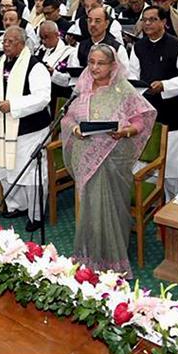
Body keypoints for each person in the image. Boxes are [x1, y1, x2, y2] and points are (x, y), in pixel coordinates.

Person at [61, 44, 156, 275]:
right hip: (86, 156)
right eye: (91, 62)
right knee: (90, 208)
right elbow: (67, 119)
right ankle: (90, 254)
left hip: (114, 158)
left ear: (113, 65)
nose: (94, 67)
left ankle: (113, 257)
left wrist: (125, 132)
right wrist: (74, 130)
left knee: (112, 207)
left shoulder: (123, 90)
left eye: (100, 63)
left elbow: (141, 122)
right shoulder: (82, 88)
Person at [128, 6, 178, 198]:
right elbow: (132, 75)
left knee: (174, 169)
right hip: (148, 114)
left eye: (153, 19)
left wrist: (166, 86)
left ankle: (176, 207)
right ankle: (154, 202)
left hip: (174, 116)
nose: (148, 24)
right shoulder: (139, 46)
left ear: (164, 22)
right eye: (145, 20)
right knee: (147, 164)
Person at [0, 26, 51, 232]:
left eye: (10, 42)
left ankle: (36, 214)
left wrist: (13, 105)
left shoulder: (35, 66)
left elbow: (42, 98)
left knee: (30, 175)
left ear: (22, 44)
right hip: (2, 128)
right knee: (4, 169)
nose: (5, 45)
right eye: (4, 41)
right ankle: (16, 205)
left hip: (30, 130)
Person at [35, 20, 78, 104]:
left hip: (59, 97)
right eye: (41, 38)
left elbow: (70, 81)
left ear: (56, 34)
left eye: (46, 37)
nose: (43, 41)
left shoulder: (70, 52)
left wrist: (53, 73)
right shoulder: (40, 51)